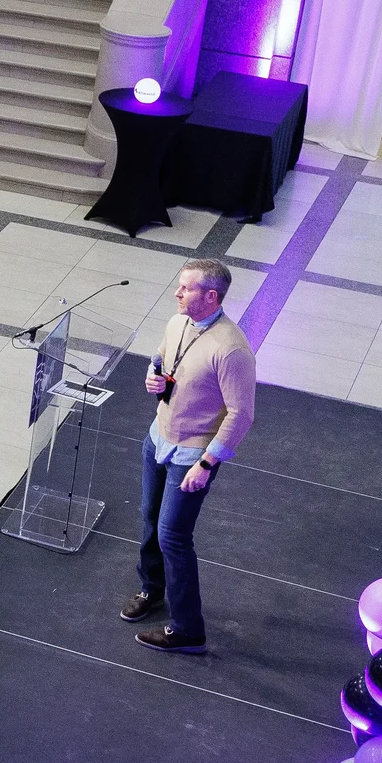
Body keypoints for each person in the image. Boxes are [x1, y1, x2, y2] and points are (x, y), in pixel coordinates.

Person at [126, 262, 258, 655]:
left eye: (186, 288)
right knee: (150, 518)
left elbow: (241, 414)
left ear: (211, 296)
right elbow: (163, 359)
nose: (177, 293)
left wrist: (207, 462)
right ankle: (152, 588)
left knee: (173, 537)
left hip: (192, 454)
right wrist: (155, 377)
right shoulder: (177, 322)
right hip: (158, 439)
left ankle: (187, 630)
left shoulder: (231, 349)